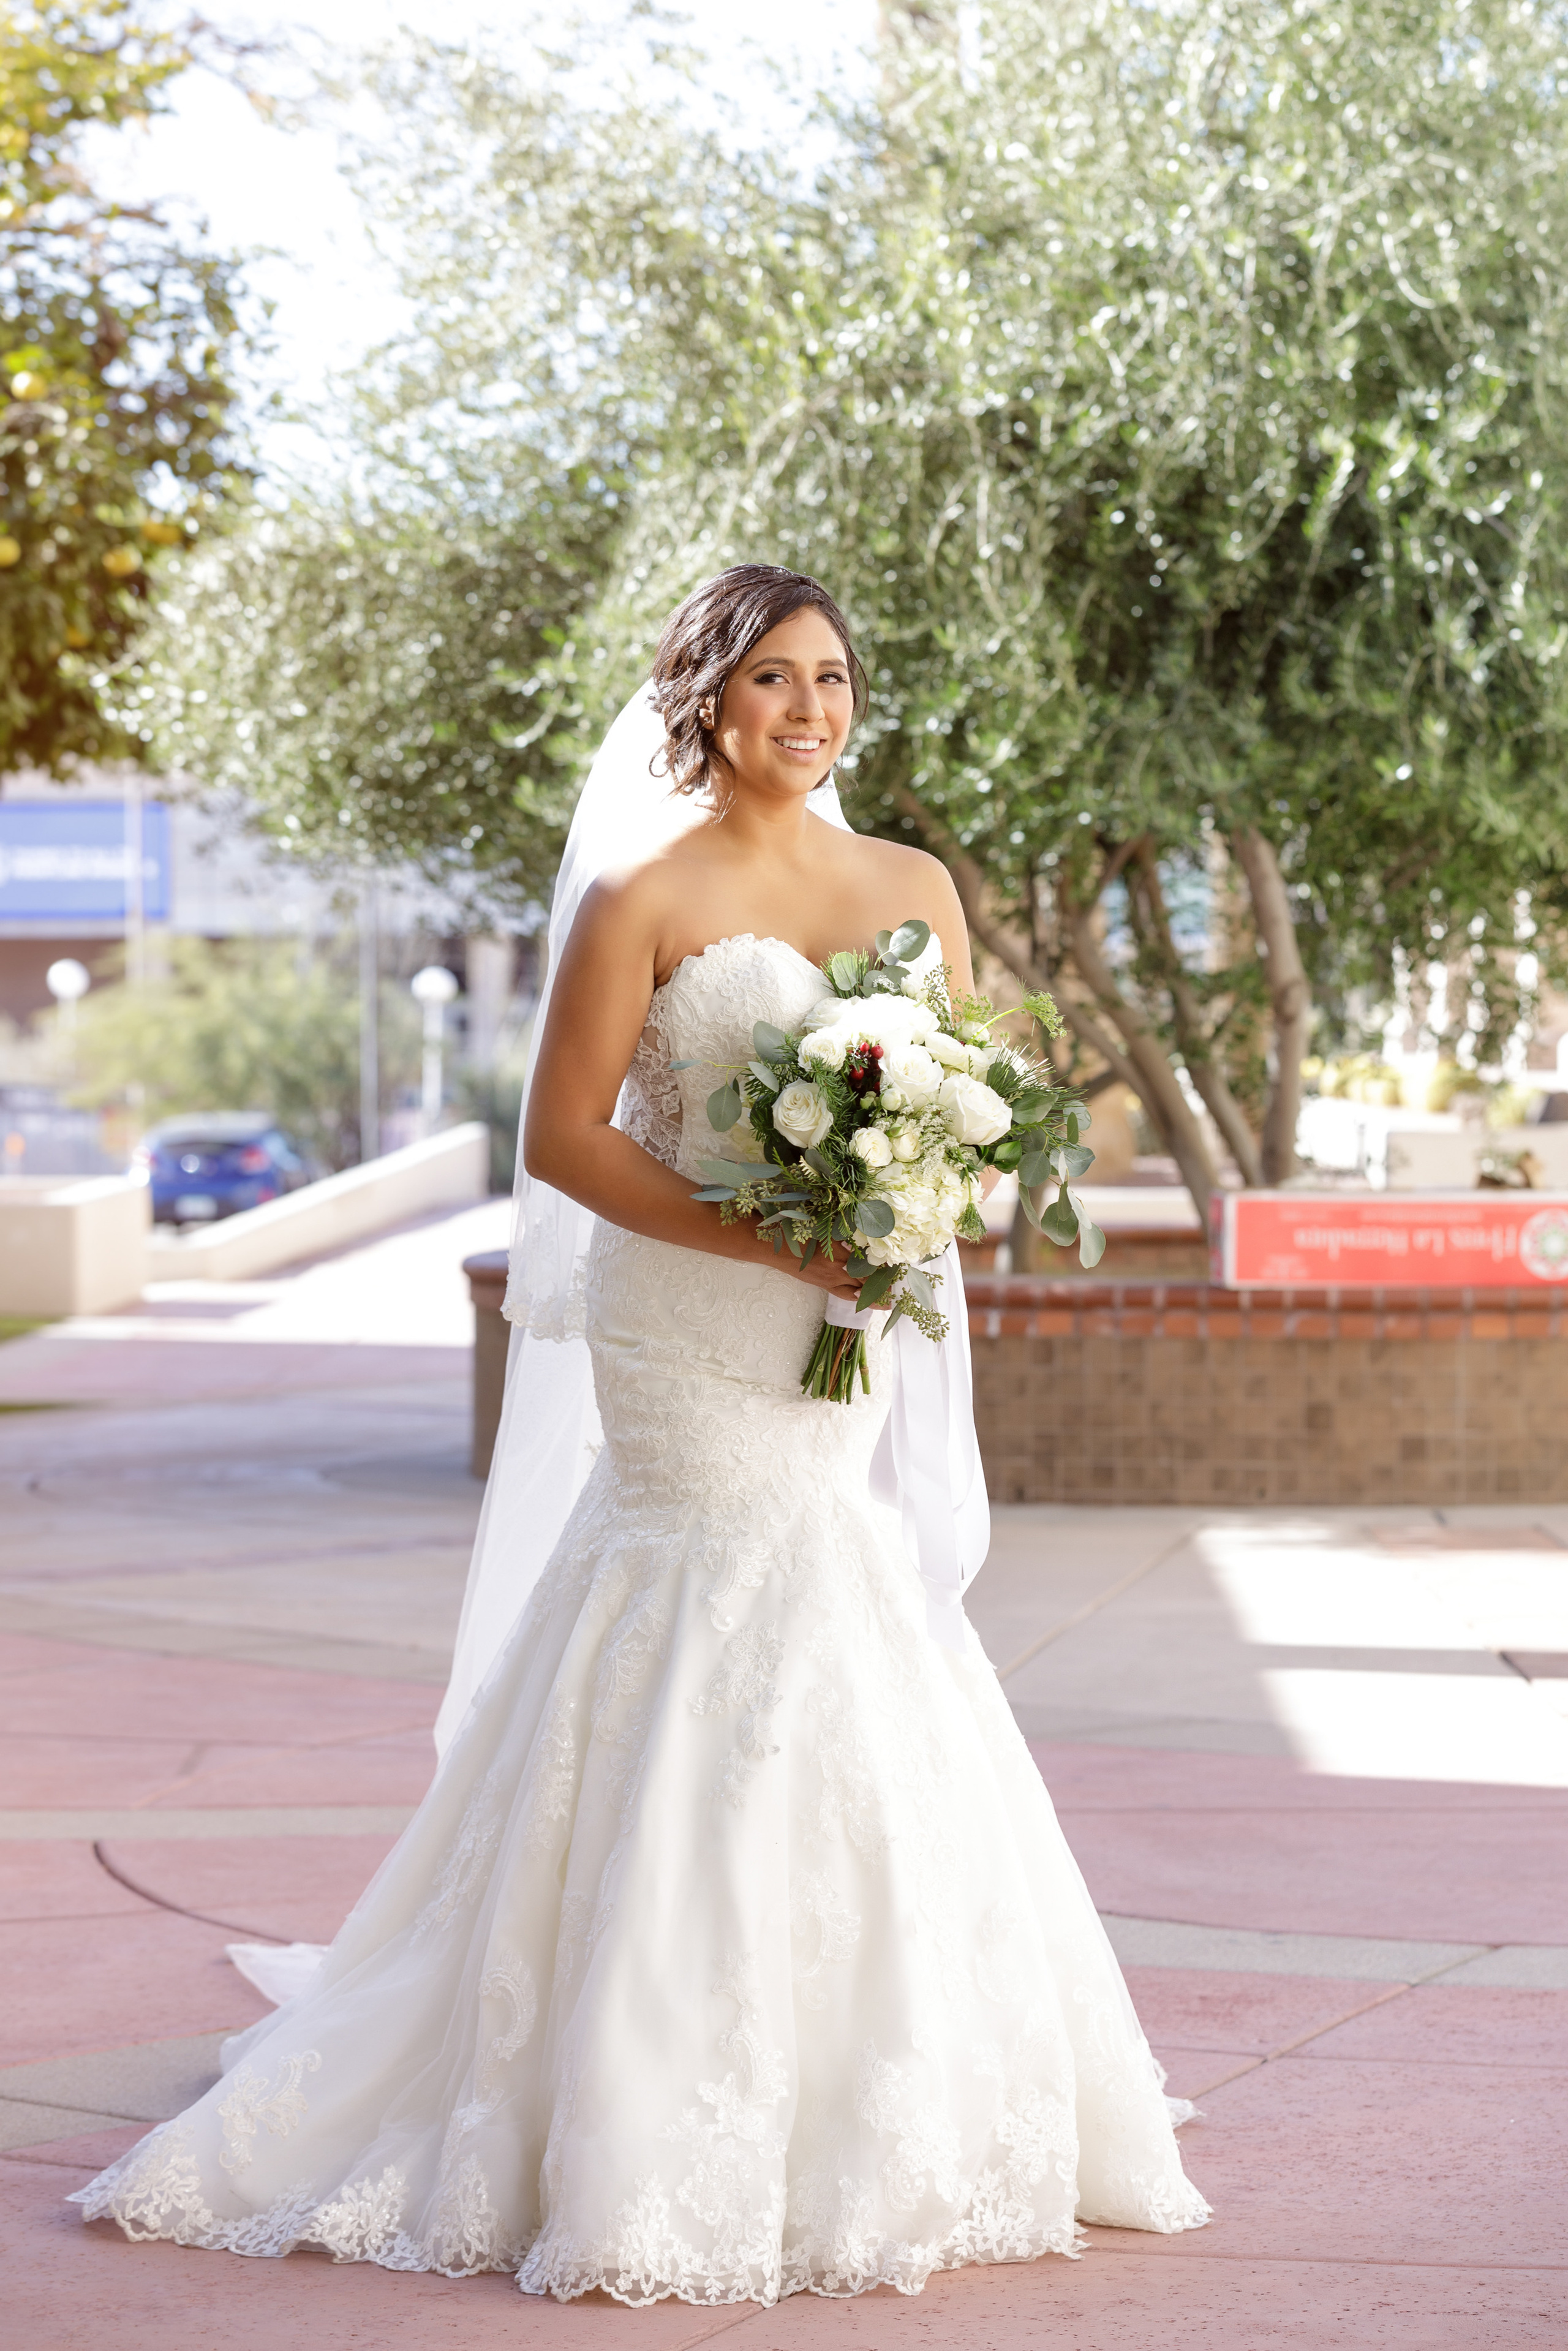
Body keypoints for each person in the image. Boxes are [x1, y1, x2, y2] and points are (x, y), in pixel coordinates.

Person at [72, 565, 1208, 2304]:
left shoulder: (913, 886)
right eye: (770, 678)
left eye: (832, 677)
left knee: (843, 1604)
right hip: (691, 1317)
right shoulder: (642, 889)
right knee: (698, 1601)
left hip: (844, 1312)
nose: (808, 710)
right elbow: (568, 1140)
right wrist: (782, 1228)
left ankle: (860, 2070)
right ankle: (623, 2085)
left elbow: (968, 1104)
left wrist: (912, 1202)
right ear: (703, 697)